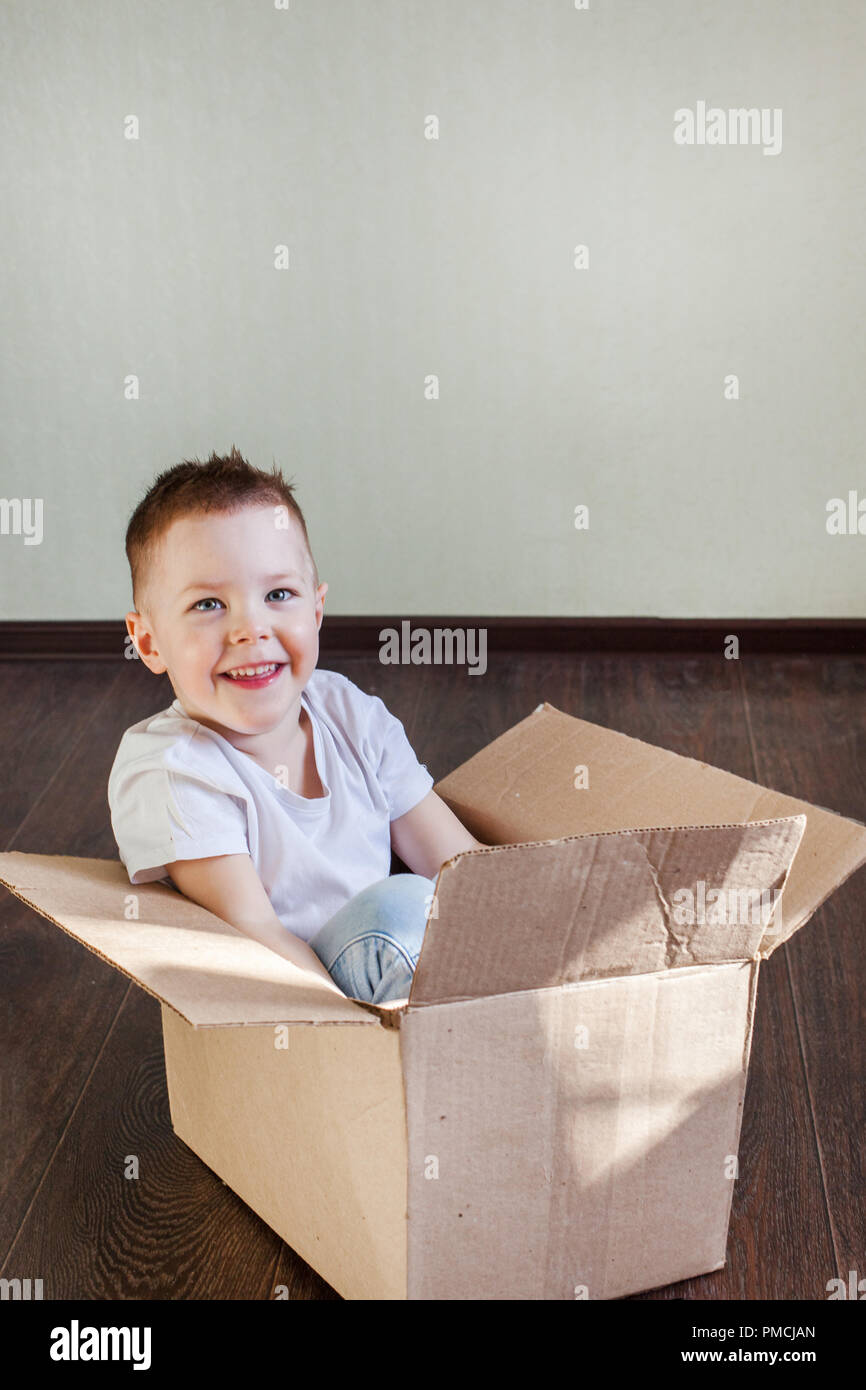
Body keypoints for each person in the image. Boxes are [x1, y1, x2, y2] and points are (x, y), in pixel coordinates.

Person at [108, 446, 485, 1005]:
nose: (251, 628)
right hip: (303, 995)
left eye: (278, 594)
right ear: (148, 641)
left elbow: (464, 867)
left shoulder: (347, 712)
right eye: (209, 604)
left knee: (458, 903)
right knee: (404, 910)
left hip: (412, 968)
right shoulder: (174, 771)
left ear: (316, 610)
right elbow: (257, 938)